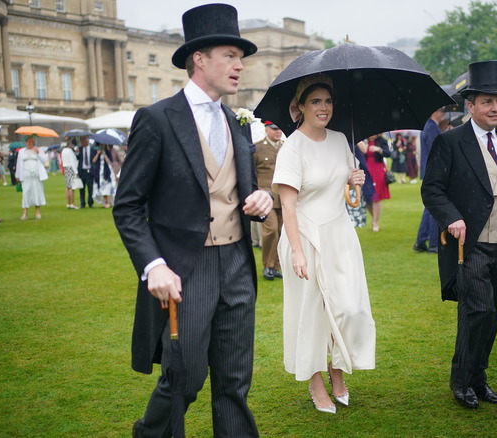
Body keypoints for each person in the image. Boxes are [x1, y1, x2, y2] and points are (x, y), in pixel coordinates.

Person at [112, 5, 271, 437]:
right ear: (199, 58)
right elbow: (127, 206)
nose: (239, 66)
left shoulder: (237, 123)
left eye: (241, 57)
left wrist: (261, 198)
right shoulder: (158, 119)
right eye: (230, 55)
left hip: (237, 264)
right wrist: (153, 265)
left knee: (236, 380)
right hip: (188, 267)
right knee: (185, 378)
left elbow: (240, 188)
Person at [421, 61, 497, 409]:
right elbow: (432, 191)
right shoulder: (450, 142)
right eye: (487, 101)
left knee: (491, 316)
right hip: (468, 246)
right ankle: (461, 382)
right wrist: (452, 218)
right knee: (477, 311)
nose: (496, 108)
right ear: (469, 105)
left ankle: (479, 378)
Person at [273, 74, 375, 414]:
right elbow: (288, 205)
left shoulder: (341, 139)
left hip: (340, 234)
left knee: (349, 308)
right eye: (315, 101)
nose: (324, 108)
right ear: (300, 107)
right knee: (313, 314)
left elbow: (352, 199)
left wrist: (354, 180)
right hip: (304, 236)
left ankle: (338, 371)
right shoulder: (292, 147)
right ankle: (318, 384)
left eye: (328, 101)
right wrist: (298, 252)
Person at [254, 121, 284, 280]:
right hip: (266, 197)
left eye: (279, 128)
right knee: (271, 230)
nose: (277, 131)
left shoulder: (286, 146)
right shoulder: (258, 148)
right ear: (266, 129)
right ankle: (267, 265)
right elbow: (251, 173)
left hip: (284, 196)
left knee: (281, 232)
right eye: (274, 128)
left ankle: (276, 267)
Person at [413, 107, 445, 253]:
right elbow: (437, 149)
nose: (443, 114)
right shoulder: (431, 127)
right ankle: (432, 242)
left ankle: (421, 240)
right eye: (441, 111)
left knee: (429, 207)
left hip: (429, 170)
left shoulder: (430, 126)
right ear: (435, 112)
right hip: (434, 171)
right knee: (433, 206)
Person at [358, 134, 390, 232]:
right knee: (367, 198)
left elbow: (388, 153)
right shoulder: (363, 141)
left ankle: (375, 222)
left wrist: (378, 149)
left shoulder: (381, 140)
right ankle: (374, 218)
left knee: (376, 197)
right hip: (366, 170)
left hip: (378, 170)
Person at [15, 135, 47, 220]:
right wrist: (17, 175)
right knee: (26, 193)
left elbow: (44, 160)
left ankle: (37, 212)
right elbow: (18, 163)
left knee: (37, 192)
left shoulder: (39, 150)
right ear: (25, 142)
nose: (29, 143)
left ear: (33, 142)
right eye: (27, 141)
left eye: (31, 141)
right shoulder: (22, 151)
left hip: (36, 175)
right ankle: (25, 212)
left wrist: (38, 153)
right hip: (26, 175)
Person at [92, 143, 119, 208]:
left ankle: (108, 202)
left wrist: (104, 155)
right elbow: (93, 161)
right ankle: (105, 201)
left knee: (108, 187)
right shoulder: (96, 152)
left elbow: (110, 162)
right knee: (102, 187)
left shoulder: (108, 152)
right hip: (99, 172)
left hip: (106, 172)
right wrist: (98, 154)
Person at [75, 135, 95, 208]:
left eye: (83, 141)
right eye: (81, 141)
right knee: (82, 188)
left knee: (90, 188)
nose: (82, 142)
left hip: (90, 171)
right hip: (82, 171)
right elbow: (76, 158)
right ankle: (82, 203)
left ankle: (90, 202)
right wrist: (77, 153)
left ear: (87, 140)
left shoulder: (92, 148)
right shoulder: (79, 149)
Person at [61, 141, 80, 209]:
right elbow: (72, 161)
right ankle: (72, 203)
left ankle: (68, 203)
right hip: (71, 168)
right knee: (72, 188)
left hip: (66, 168)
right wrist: (76, 171)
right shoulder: (69, 151)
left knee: (68, 187)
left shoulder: (63, 150)